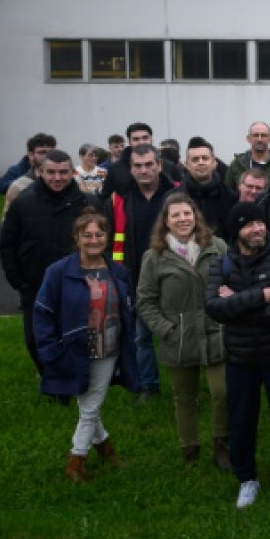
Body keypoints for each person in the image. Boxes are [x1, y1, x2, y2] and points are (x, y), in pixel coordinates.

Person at [205, 201, 270, 509]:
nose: (257, 228)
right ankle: (247, 479)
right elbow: (214, 307)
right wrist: (261, 296)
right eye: (249, 224)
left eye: (260, 222)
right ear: (237, 231)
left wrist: (238, 304)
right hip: (240, 359)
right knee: (241, 421)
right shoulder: (220, 264)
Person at [34, 209, 141, 482]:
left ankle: (76, 460)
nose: (94, 240)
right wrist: (48, 350)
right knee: (88, 403)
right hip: (74, 347)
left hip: (109, 346)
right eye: (87, 235)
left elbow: (129, 308)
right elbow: (43, 312)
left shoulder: (118, 271)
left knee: (91, 403)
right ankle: (101, 449)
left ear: (107, 237)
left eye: (99, 234)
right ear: (77, 237)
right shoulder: (59, 272)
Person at [136, 192, 230, 468]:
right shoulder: (155, 257)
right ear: (166, 221)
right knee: (185, 398)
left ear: (195, 216)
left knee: (223, 392)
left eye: (187, 213)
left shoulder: (217, 247)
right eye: (175, 215)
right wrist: (166, 329)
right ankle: (189, 449)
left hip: (216, 332)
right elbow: (145, 300)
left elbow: (233, 279)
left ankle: (222, 445)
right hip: (178, 337)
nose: (182, 219)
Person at [0, 148, 102, 389]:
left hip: (79, 283)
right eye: (51, 172)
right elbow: (6, 245)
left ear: (72, 172)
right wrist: (18, 280)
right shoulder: (23, 204)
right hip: (34, 286)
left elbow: (101, 244)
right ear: (40, 172)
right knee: (36, 338)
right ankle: (49, 378)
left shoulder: (89, 204)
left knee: (76, 336)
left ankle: (74, 381)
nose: (57, 178)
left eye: (63, 172)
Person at [106, 143, 175, 402]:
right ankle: (149, 384)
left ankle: (184, 384)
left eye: (149, 164)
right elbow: (111, 238)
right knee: (141, 336)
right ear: (130, 168)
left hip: (172, 274)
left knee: (178, 333)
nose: (144, 170)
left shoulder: (176, 195)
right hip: (135, 276)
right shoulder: (119, 199)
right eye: (138, 166)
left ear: (159, 165)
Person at [181, 137, 237, 237]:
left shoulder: (230, 197)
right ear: (187, 165)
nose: (201, 162)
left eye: (205, 158)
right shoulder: (174, 197)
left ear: (214, 163)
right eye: (195, 160)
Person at [224, 121, 270, 190]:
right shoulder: (237, 164)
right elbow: (227, 192)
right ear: (248, 139)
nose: (259, 139)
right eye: (255, 135)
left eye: (263, 135)